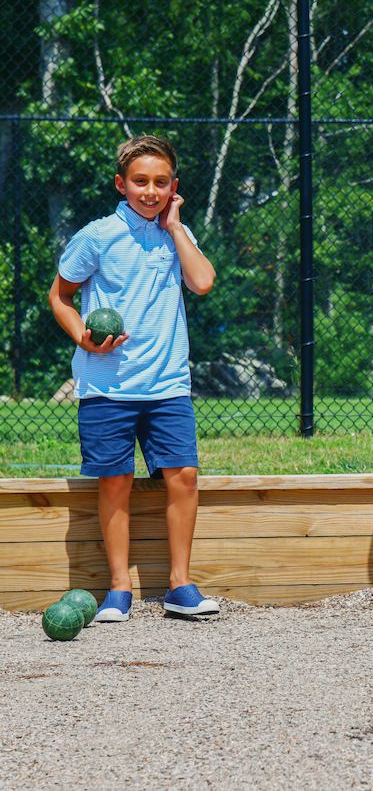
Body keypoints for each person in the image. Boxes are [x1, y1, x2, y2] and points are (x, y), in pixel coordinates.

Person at [48, 135, 218, 622]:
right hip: (108, 385)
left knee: (183, 477)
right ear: (121, 184)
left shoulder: (175, 234)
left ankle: (179, 584)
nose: (150, 190)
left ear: (173, 188)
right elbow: (59, 296)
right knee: (115, 482)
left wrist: (177, 225)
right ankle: (119, 589)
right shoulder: (98, 235)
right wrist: (83, 337)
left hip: (167, 384)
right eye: (140, 182)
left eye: (160, 183)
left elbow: (203, 282)